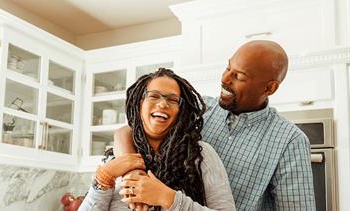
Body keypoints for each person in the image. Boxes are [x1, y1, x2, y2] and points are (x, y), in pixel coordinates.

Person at [114, 40, 316, 210]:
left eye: (239, 76)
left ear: (269, 88)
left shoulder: (289, 140)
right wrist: (131, 170)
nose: (225, 78)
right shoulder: (201, 108)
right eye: (228, 68)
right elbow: (132, 130)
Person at [79, 68, 236, 210]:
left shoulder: (201, 155)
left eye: (173, 100)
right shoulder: (114, 159)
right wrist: (103, 179)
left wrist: (168, 198)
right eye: (153, 96)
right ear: (139, 103)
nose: (162, 104)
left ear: (180, 111)